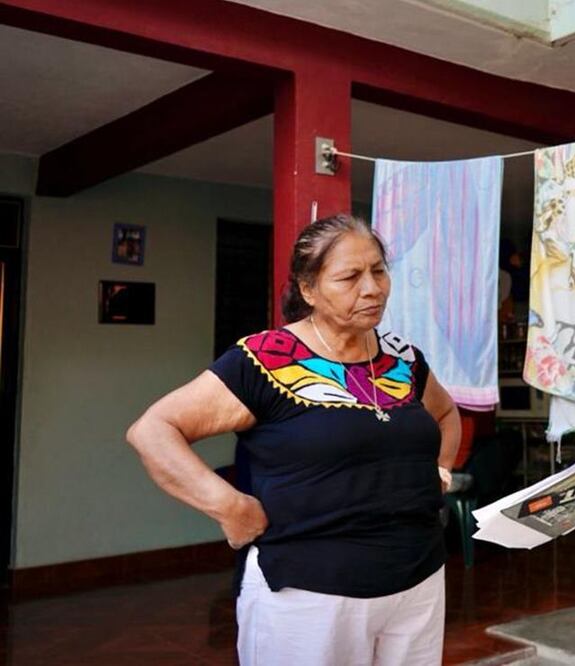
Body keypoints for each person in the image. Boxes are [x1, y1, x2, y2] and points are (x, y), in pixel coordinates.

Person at [127, 213, 460, 665]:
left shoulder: (403, 358)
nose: (372, 288)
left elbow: (444, 413)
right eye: (350, 277)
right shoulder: (264, 360)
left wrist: (439, 470)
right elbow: (153, 431)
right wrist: (229, 507)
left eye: (379, 271)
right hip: (309, 595)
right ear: (308, 290)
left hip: (418, 582)